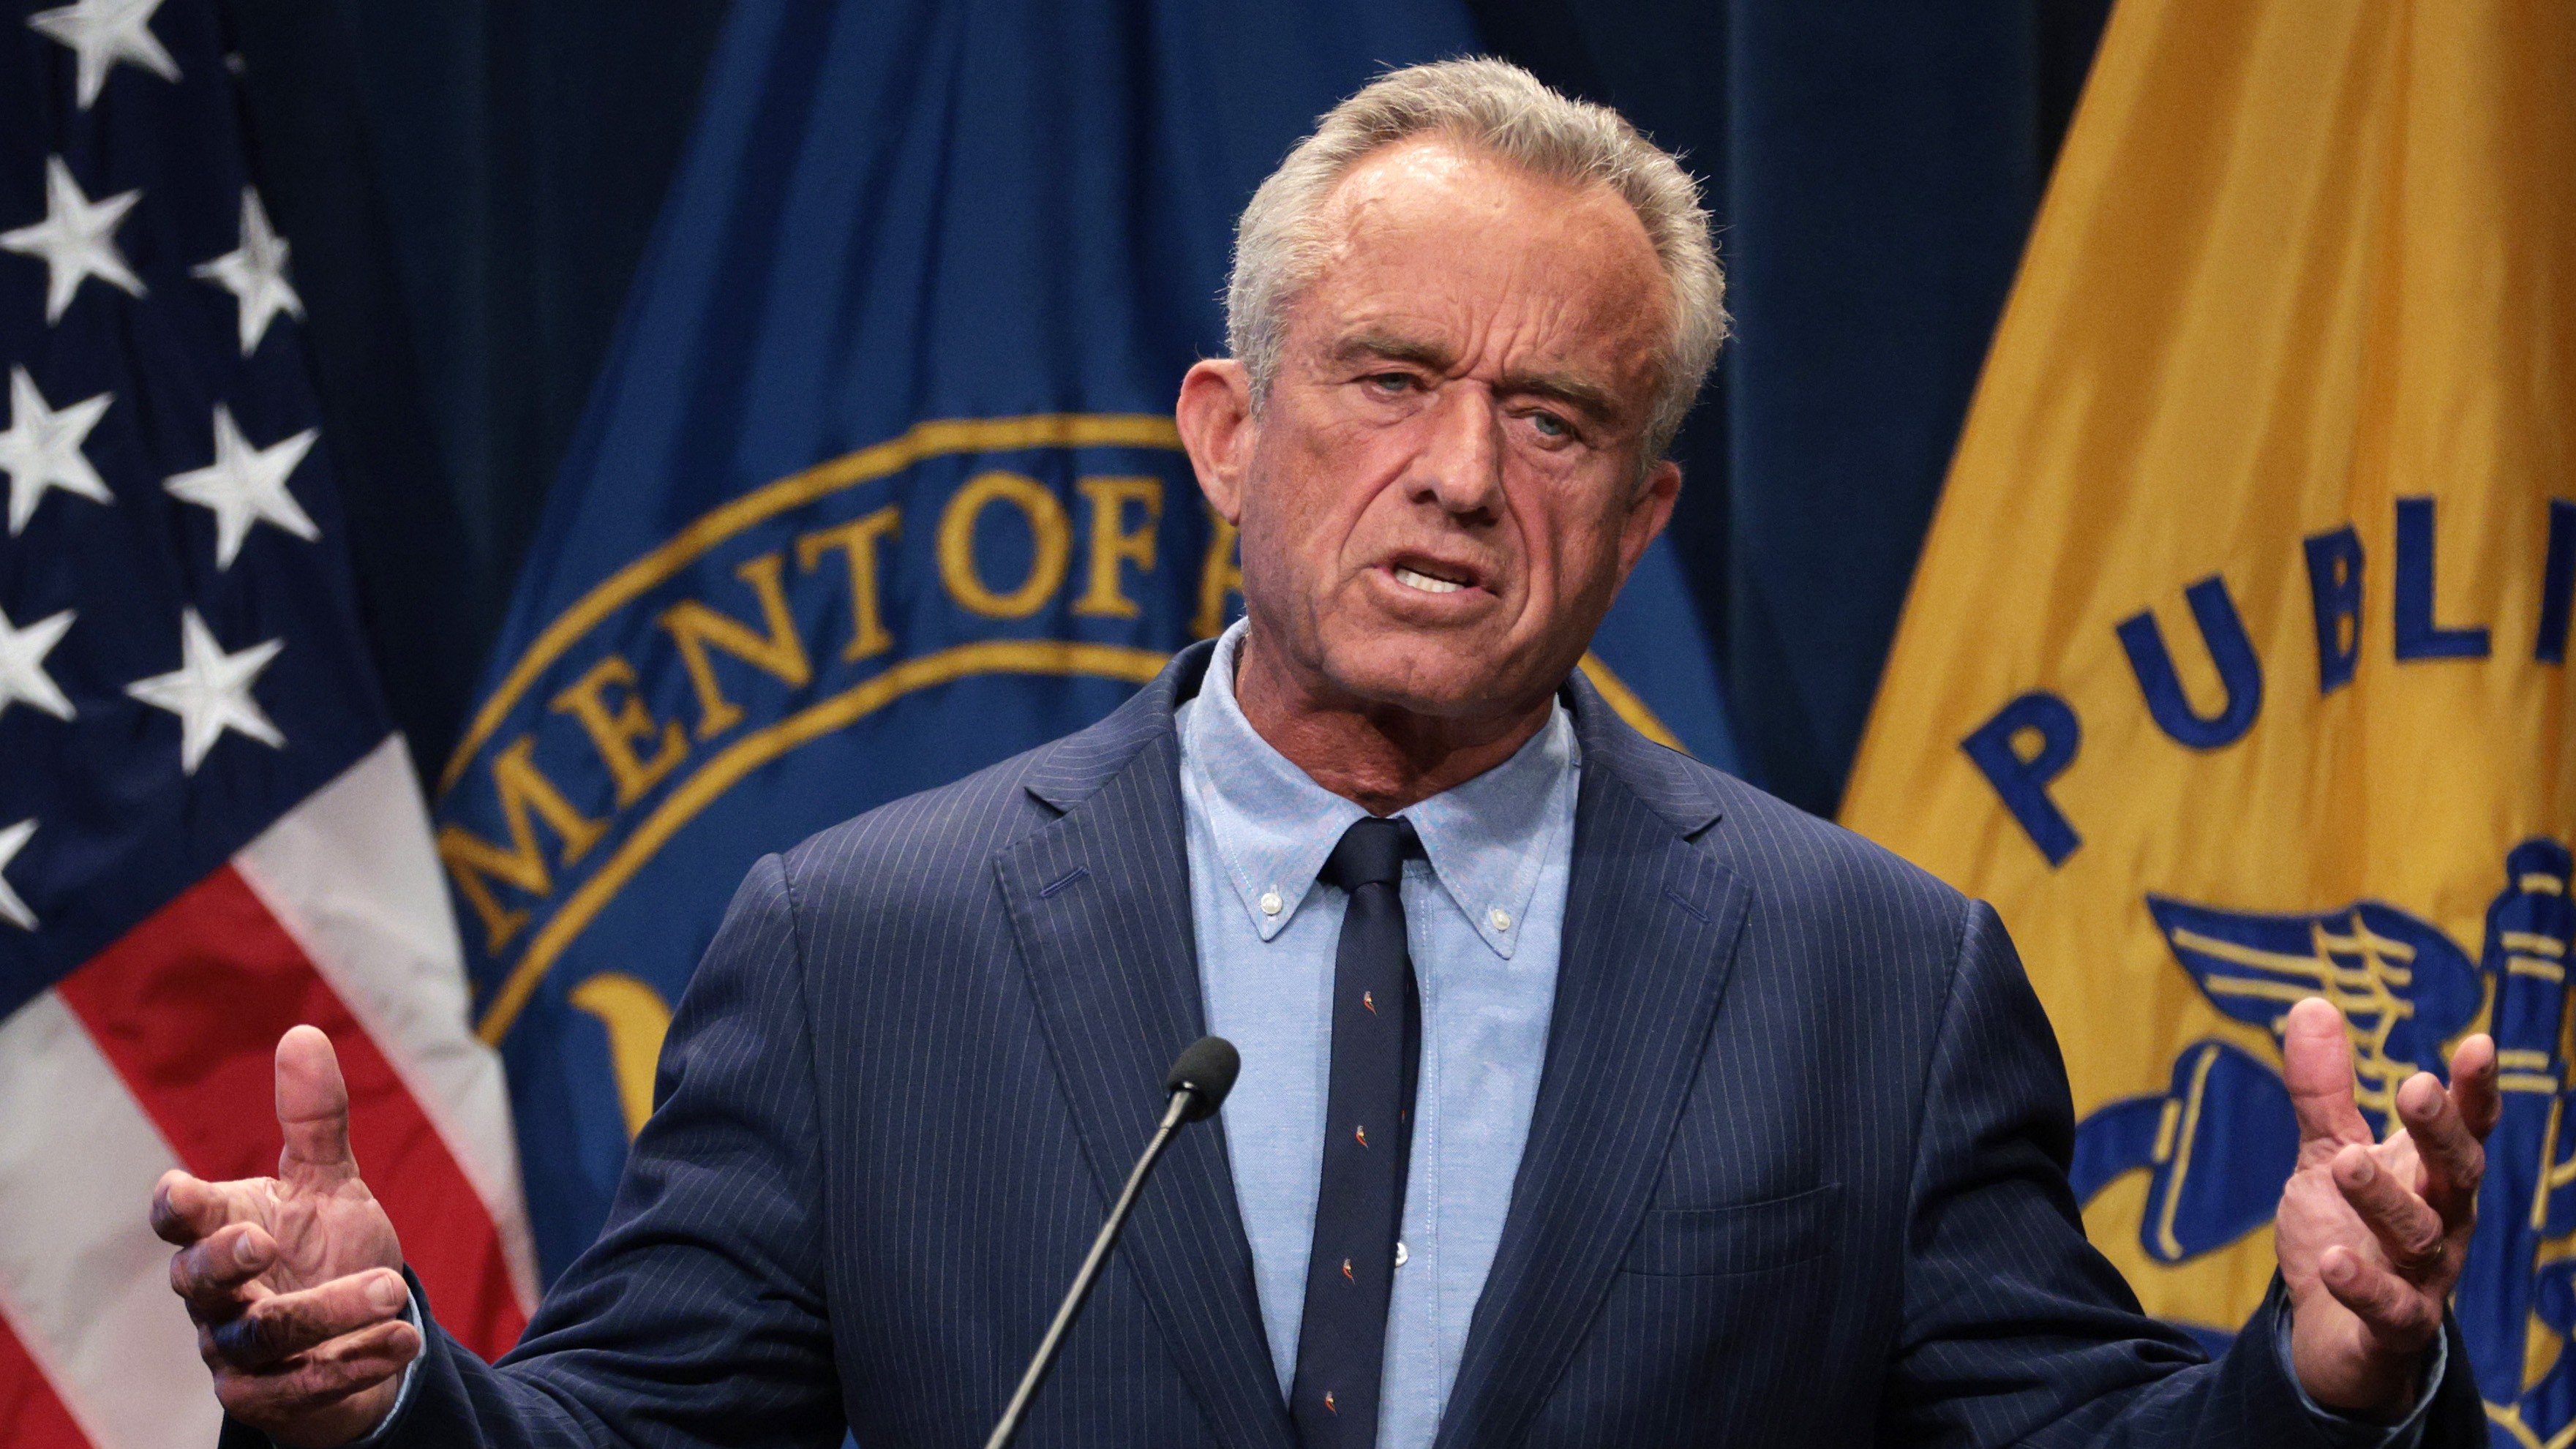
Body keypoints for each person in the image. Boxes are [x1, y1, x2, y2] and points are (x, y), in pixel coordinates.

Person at [154, 59, 2496, 1449]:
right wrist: (383, 1397)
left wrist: (2326, 1384)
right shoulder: (869, 946)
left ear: (1640, 518)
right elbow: (635, 1431)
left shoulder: (1869, 978)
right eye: (1390, 381)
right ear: (1226, 429)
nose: (1461, 475)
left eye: (1553, 417)